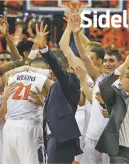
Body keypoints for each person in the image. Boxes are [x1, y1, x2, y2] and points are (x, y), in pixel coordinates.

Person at [28, 22, 82, 163]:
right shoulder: (56, 85)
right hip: (55, 138)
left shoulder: (70, 80)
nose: (51, 71)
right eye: (49, 68)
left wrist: (44, 49)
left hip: (62, 139)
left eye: (54, 68)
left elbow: (58, 69)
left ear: (64, 67)